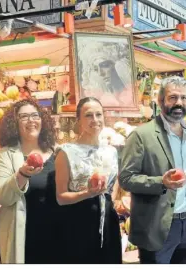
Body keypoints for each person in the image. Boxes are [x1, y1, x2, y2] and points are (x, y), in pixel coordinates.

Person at [119, 76, 186, 264]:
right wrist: (160, 182)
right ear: (160, 101)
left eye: (183, 98)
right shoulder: (141, 135)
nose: (179, 102)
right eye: (173, 97)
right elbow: (126, 178)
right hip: (156, 227)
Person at [54, 97, 122, 263]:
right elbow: (61, 197)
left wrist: (110, 202)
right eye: (89, 115)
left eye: (99, 115)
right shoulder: (66, 152)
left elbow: (113, 187)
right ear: (79, 120)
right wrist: (87, 193)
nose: (95, 120)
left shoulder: (111, 151)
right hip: (78, 222)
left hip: (107, 221)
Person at [0, 99, 58, 263]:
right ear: (15, 123)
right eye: (24, 117)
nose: (31, 120)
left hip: (56, 231)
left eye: (35, 115)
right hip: (24, 233)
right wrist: (21, 175)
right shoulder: (5, 155)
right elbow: (0, 195)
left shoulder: (58, 152)